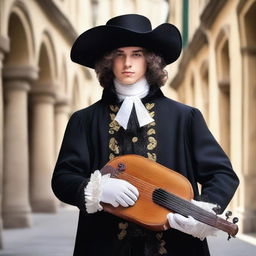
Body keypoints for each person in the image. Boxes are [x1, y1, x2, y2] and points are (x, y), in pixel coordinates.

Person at [52, 14, 239, 256]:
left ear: (150, 61)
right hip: (103, 245)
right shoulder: (84, 120)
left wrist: (200, 211)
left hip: (176, 246)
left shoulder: (185, 117)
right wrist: (96, 190)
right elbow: (63, 178)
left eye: (136, 54)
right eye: (119, 54)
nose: (127, 62)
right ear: (108, 61)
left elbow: (222, 173)